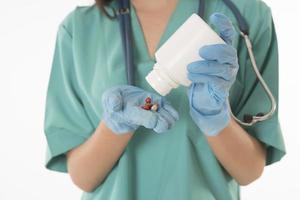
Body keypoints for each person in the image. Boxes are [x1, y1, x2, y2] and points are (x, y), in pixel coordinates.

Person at [43, 0, 286, 199]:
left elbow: (249, 171)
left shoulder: (245, 16)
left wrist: (216, 118)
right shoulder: (79, 29)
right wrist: (113, 126)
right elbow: (83, 177)